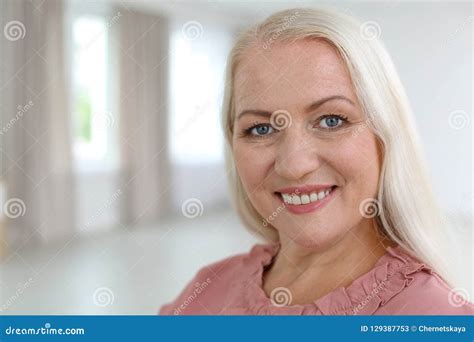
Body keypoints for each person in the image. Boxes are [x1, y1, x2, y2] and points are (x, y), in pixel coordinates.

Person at [159, 7, 474, 315]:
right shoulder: (206, 291)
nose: (294, 165)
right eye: (261, 128)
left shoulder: (433, 317)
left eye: (331, 121)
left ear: (384, 137)